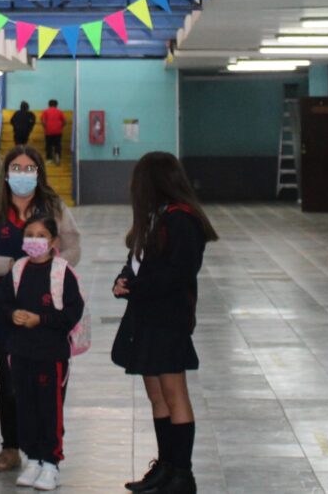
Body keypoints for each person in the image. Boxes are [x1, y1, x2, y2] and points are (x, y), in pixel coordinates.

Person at [0, 145, 82, 473]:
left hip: (46, 310)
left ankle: (47, 451)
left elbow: (73, 246)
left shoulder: (54, 206)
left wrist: (48, 267)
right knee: (9, 378)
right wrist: (13, 265)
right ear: (6, 173)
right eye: (15, 168)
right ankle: (11, 446)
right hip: (3, 309)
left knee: (46, 380)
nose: (22, 174)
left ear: (38, 172)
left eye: (28, 168)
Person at [111, 152, 218, 494]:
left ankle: (183, 474)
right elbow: (139, 262)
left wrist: (138, 287)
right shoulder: (155, 218)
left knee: (174, 395)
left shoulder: (182, 220)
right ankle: (165, 465)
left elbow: (178, 273)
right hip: (146, 317)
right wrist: (124, 280)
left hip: (167, 320)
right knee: (156, 395)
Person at [0, 216, 84, 491]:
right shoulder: (18, 270)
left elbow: (71, 312)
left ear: (53, 241)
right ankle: (32, 458)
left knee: (49, 409)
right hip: (21, 354)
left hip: (51, 355)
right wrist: (12, 314)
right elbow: (3, 303)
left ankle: (51, 462)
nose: (35, 240)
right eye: (29, 235)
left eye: (41, 235)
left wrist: (40, 320)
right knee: (26, 407)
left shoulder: (61, 272)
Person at [41, 100, 65, 166]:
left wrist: (45, 127)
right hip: (58, 131)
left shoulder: (46, 111)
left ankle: (49, 159)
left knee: (48, 145)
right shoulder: (60, 111)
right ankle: (57, 155)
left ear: (49, 105)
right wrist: (60, 127)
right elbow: (64, 121)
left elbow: (43, 121)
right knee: (58, 145)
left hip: (48, 131)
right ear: (56, 105)